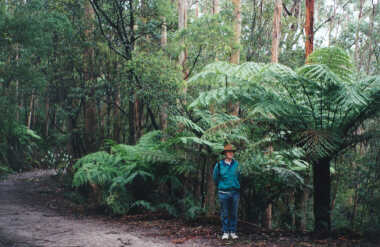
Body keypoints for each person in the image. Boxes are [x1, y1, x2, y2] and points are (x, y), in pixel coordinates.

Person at [213, 144, 240, 240]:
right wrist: (222, 186)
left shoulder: (237, 164)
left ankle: (232, 232)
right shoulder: (219, 165)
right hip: (223, 193)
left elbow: (240, 176)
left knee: (234, 213)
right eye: (229, 152)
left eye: (232, 152)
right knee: (225, 213)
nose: (231, 153)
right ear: (225, 154)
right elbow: (215, 178)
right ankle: (225, 232)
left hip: (235, 193)